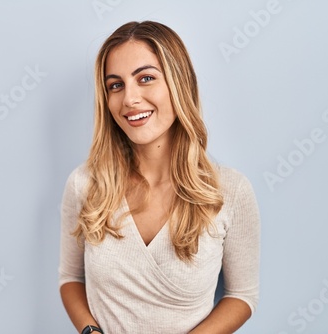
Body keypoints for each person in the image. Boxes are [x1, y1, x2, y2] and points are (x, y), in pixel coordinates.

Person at [59, 21, 260, 334]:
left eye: (146, 78)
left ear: (178, 84)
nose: (130, 99)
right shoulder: (84, 184)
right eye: (116, 85)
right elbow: (70, 278)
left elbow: (242, 295)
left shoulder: (231, 190)